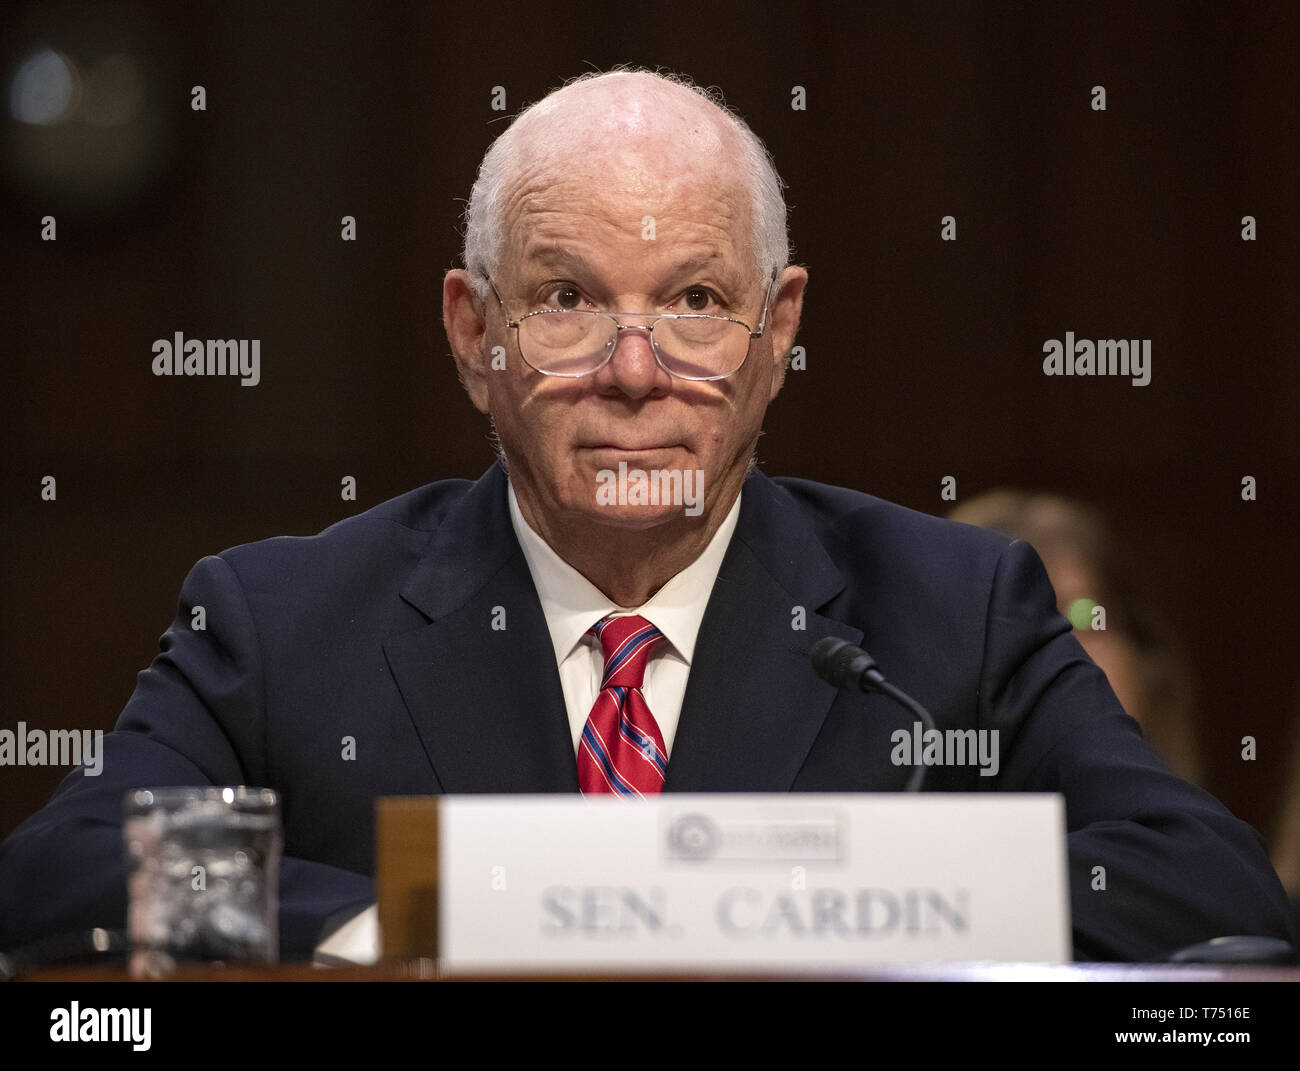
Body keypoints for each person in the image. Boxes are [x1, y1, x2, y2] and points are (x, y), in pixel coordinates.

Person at [0, 68, 1294, 964]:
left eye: (693, 301)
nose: (634, 368)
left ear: (777, 331)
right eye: (565, 296)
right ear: (474, 331)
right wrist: (435, 919)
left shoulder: (952, 610)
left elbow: (1206, 886)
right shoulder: (284, 618)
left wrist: (795, 909)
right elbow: (61, 872)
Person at [948, 491, 1201, 784]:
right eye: (1010, 630)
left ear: (1145, 660)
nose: (1057, 657)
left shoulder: (1205, 827)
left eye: (1085, 616)